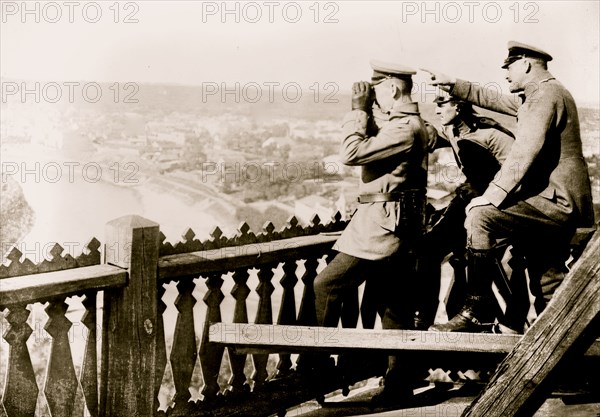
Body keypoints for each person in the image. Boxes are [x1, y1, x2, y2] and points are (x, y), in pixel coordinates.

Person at [423, 41, 595, 332]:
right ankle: (564, 348)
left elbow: (523, 153)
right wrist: (454, 85)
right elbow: (497, 100)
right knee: (547, 280)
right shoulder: (544, 92)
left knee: (481, 217)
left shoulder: (544, 95)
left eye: (509, 68)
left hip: (557, 202)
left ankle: (477, 309)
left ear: (526, 64)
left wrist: (490, 197)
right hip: (556, 203)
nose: (505, 75)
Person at [313, 60, 429, 403]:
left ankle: (316, 365)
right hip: (393, 223)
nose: (373, 95)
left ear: (392, 87)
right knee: (394, 306)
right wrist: (371, 111)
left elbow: (352, 152)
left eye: (378, 88)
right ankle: (398, 385)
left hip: (379, 225)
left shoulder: (405, 128)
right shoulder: (409, 124)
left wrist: (357, 111)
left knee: (327, 285)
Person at [414, 92, 515, 329]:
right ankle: (424, 315)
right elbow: (441, 139)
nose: (437, 111)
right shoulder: (453, 129)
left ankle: (476, 315)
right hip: (473, 197)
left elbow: (517, 171)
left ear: (458, 107)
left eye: (442, 105)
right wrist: (424, 128)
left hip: (497, 202)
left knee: (434, 249)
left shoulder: (488, 134)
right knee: (429, 249)